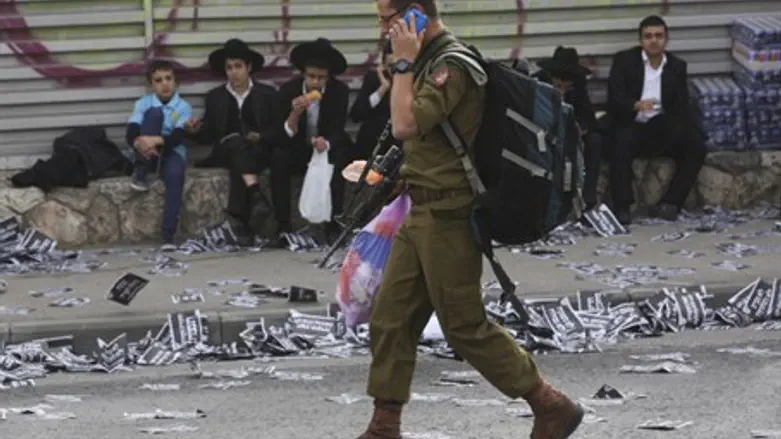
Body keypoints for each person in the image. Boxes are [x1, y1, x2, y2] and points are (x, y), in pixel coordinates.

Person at [356, 1, 584, 439]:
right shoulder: (426, 63)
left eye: (389, 18)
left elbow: (405, 124)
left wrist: (401, 62)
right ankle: (384, 425)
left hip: (450, 217)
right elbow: (430, 144)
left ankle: (549, 404)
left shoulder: (450, 66)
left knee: (463, 326)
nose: (382, 27)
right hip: (421, 210)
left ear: (415, 16)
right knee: (391, 317)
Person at [607, 15, 706, 225]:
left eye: (659, 36)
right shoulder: (624, 61)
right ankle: (623, 206)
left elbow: (681, 105)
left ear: (666, 40)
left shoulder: (677, 66)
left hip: (662, 126)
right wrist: (636, 105)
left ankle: (671, 203)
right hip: (632, 123)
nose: (654, 40)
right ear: (641, 40)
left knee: (696, 145)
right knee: (620, 142)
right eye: (648, 36)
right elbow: (614, 98)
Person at [186, 39, 277, 245]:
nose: (234, 72)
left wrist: (260, 136)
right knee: (235, 143)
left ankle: (240, 223)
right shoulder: (215, 97)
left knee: (240, 161)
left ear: (249, 67)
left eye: (238, 66)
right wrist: (194, 131)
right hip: (225, 151)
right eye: (229, 67)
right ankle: (255, 196)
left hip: (256, 152)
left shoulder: (267, 94)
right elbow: (209, 134)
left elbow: (276, 128)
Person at [269, 38, 352, 246]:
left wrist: (327, 142)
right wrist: (295, 114)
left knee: (339, 158)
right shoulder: (288, 91)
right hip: (297, 148)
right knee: (278, 157)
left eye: (321, 78)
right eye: (311, 76)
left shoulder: (339, 92)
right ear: (303, 75)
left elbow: (338, 130)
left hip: (324, 148)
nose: (315, 82)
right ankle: (282, 225)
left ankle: (333, 223)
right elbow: (283, 134)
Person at [126, 59, 192, 250]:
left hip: (171, 151)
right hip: (146, 151)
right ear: (151, 85)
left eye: (168, 79)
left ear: (176, 82)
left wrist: (158, 141)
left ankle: (168, 234)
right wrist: (140, 142)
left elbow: (178, 136)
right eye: (158, 80)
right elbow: (132, 130)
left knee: (175, 175)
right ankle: (141, 170)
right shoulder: (143, 103)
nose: (164, 84)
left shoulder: (183, 107)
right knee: (154, 114)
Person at [535, 46, 602, 210]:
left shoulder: (578, 85)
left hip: (571, 134)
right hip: (543, 134)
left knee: (595, 141)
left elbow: (588, 116)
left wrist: (580, 128)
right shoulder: (537, 83)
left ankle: (588, 199)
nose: (563, 83)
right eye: (559, 80)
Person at [349, 43, 396, 161]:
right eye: (391, 66)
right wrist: (382, 89)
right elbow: (356, 115)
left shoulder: (414, 79)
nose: (396, 70)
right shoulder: (373, 79)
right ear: (384, 66)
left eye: (399, 65)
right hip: (374, 142)